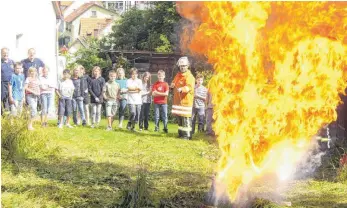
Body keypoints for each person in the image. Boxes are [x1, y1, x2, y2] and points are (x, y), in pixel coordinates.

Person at [170, 57, 195, 139]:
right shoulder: (177, 75)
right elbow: (173, 83)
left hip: (185, 102)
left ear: (187, 66)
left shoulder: (189, 76)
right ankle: (181, 133)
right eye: (181, 66)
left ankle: (187, 135)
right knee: (180, 118)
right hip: (178, 101)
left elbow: (189, 87)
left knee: (185, 119)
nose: (182, 67)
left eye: (184, 66)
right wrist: (172, 86)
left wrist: (182, 89)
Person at [1, 47, 15, 114]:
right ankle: (3, 113)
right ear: (1, 53)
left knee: (11, 97)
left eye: (6, 53)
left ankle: (10, 113)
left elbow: (16, 71)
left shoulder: (12, 62)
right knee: (3, 97)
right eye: (4, 53)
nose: (5, 54)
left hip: (12, 83)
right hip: (3, 83)